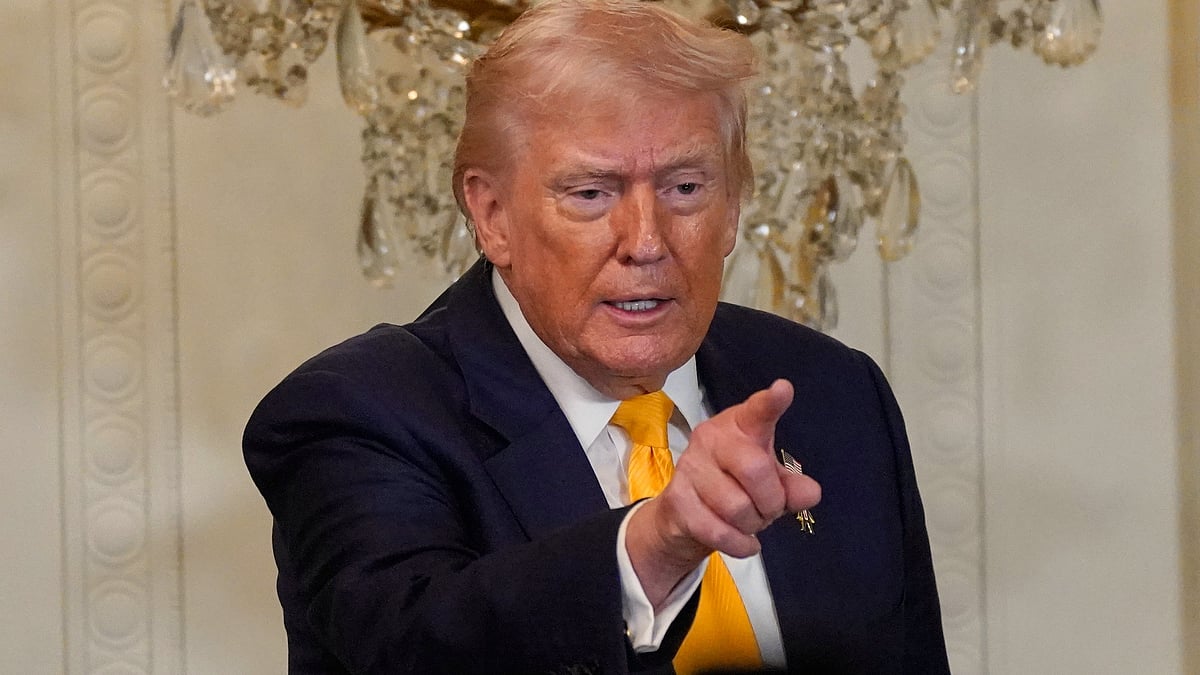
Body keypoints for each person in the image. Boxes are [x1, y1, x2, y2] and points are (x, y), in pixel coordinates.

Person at [243, 0, 950, 672]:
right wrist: (656, 546)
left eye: (684, 188)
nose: (646, 242)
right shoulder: (356, 412)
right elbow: (416, 648)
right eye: (591, 193)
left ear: (734, 204)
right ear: (491, 216)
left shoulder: (835, 390)